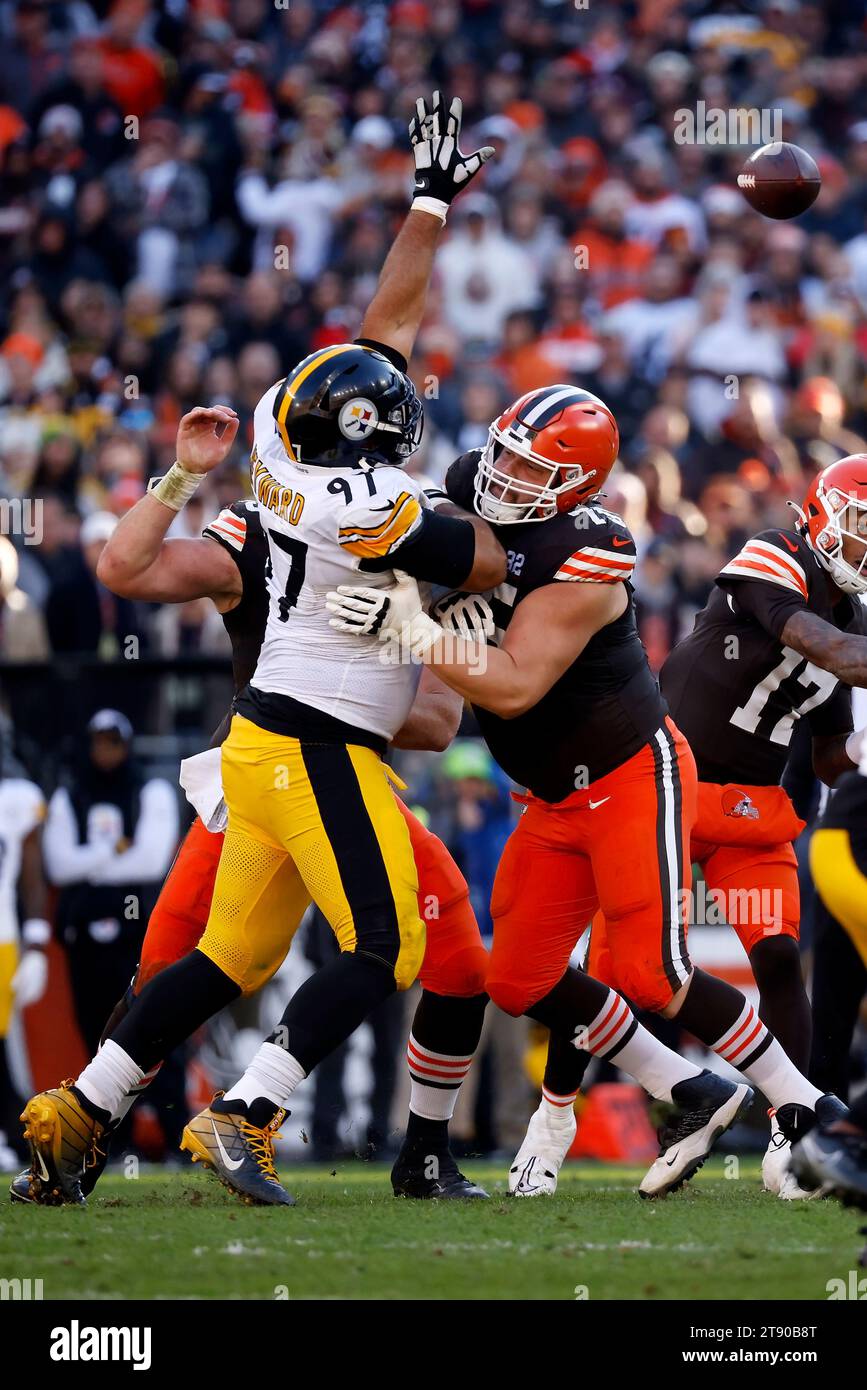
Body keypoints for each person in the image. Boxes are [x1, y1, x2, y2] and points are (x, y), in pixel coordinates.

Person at [19, 92, 502, 1208]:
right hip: (320, 746)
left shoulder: (290, 426)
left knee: (221, 961)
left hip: (266, 745)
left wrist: (426, 207)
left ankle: (71, 1114)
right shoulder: (363, 506)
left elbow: (387, 326)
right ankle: (247, 1111)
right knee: (391, 948)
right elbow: (477, 559)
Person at [327, 383, 846, 1199]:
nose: (501, 475)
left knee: (653, 973)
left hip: (630, 777)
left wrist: (408, 625)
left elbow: (512, 685)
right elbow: (415, 537)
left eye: (527, 466)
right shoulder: (470, 482)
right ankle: (692, 1088)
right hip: (546, 794)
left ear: (578, 486)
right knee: (516, 979)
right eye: (501, 452)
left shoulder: (592, 548)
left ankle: (806, 1108)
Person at [43, 710, 179, 1058]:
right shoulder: (69, 795)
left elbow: (150, 861)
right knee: (93, 1033)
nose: (105, 752)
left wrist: (87, 865)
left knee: (149, 1026)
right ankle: (108, 1112)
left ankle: (166, 1110)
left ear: (127, 745)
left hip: (139, 932)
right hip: (84, 935)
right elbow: (58, 866)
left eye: (114, 743)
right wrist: (112, 850)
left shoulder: (149, 791)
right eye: (99, 743)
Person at [0, 749, 49, 1167]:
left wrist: (36, 944)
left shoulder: (15, 797)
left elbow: (32, 875)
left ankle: (18, 1139)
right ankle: (19, 1140)